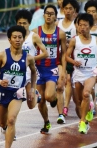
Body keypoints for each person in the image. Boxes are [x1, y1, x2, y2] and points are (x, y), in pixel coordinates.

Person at [0, 25, 36, 148]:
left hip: (17, 93)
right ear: (9, 39)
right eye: (14, 37)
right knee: (3, 122)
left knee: (11, 120)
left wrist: (32, 89)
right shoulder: (2, 55)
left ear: (23, 39)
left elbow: (33, 72)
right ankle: (4, 128)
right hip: (3, 93)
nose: (17, 40)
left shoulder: (29, 58)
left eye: (20, 37)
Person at [66, 13, 97, 134]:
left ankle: (83, 122)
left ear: (90, 26)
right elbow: (66, 56)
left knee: (86, 93)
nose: (82, 28)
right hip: (78, 73)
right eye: (80, 25)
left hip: (91, 72)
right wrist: (74, 61)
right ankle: (88, 109)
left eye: (85, 25)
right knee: (78, 101)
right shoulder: (75, 41)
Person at [32, 4, 67, 133]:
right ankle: (46, 122)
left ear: (55, 17)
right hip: (39, 69)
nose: (49, 16)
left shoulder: (60, 33)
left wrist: (63, 70)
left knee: (48, 96)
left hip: (52, 68)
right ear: (44, 15)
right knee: (40, 101)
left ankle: (55, 99)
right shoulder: (36, 32)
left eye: (52, 14)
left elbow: (64, 53)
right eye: (47, 13)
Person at [15, 9, 48, 110]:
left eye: (24, 23)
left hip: (29, 71)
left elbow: (45, 53)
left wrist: (32, 58)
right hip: (17, 71)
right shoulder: (14, 36)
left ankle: (36, 95)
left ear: (29, 23)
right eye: (19, 23)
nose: (22, 25)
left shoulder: (34, 37)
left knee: (31, 105)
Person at [56, 0, 79, 117]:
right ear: (63, 9)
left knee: (70, 81)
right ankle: (60, 101)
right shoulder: (58, 24)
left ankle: (65, 107)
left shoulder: (76, 24)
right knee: (61, 81)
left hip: (72, 56)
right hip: (60, 56)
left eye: (71, 8)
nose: (68, 11)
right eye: (66, 8)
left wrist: (69, 42)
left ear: (75, 10)